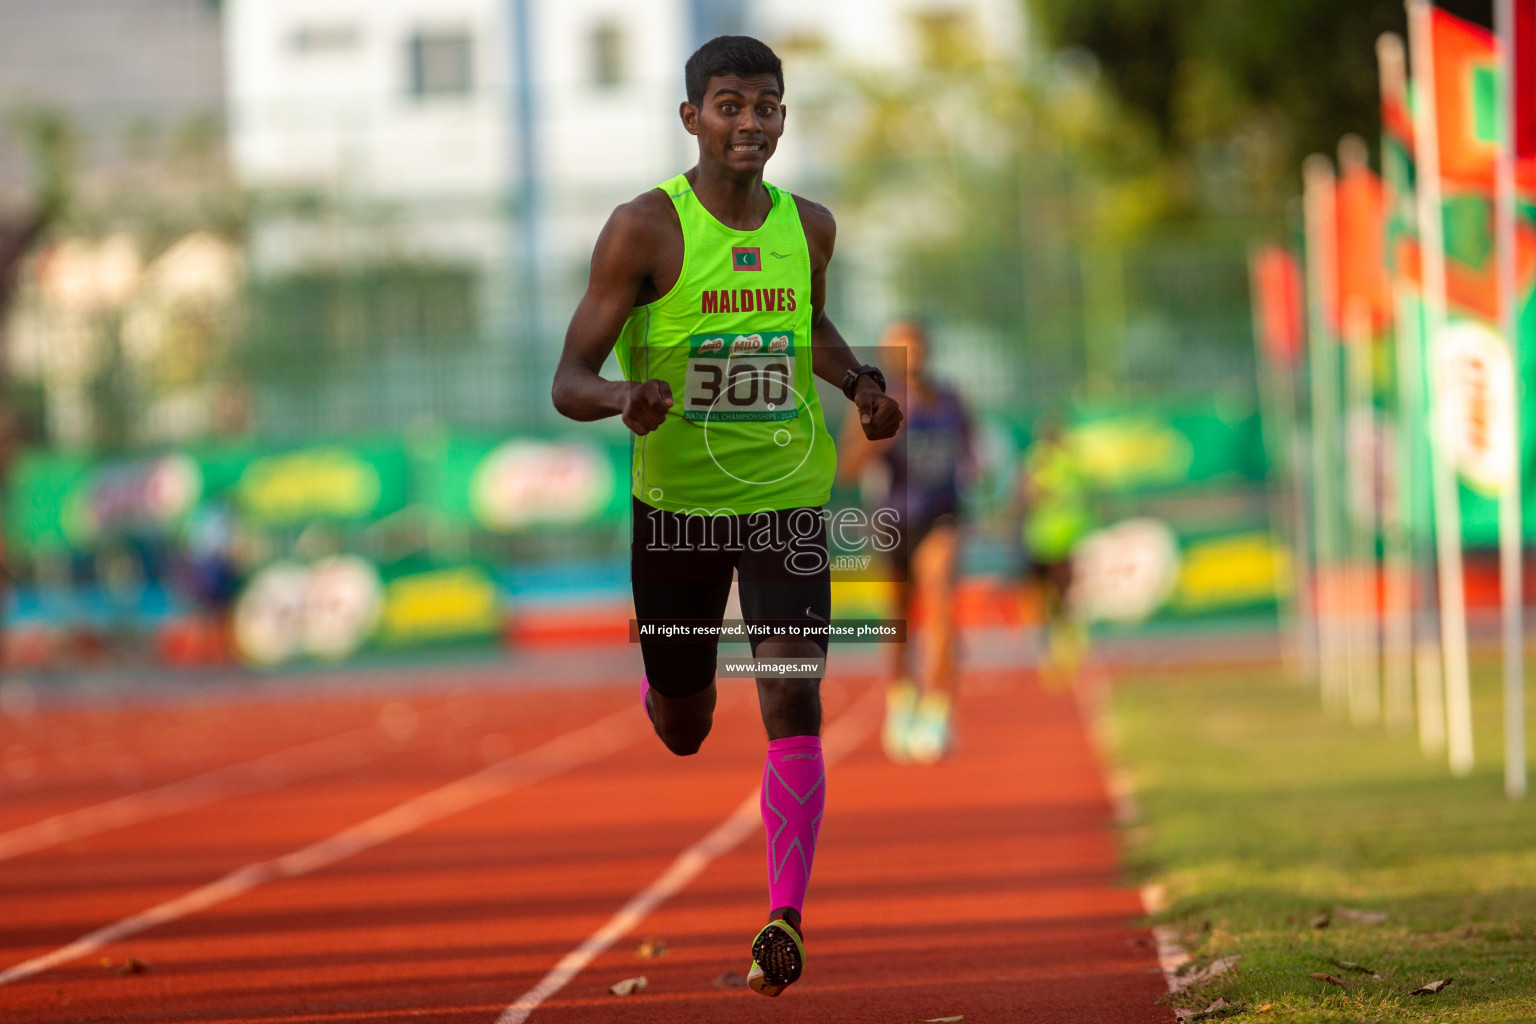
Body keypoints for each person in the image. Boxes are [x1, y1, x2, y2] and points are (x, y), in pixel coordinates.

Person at [551, 35, 902, 998]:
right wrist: (624, 398)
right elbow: (566, 378)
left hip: (788, 495)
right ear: (692, 118)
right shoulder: (643, 231)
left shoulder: (811, 227)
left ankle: (785, 915)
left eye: (768, 107)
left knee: (791, 694)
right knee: (687, 722)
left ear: (785, 119)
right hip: (679, 510)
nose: (751, 123)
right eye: (731, 105)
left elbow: (809, 327)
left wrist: (863, 383)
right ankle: (667, 690)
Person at [837, 319, 973, 764]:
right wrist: (879, 435)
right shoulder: (872, 402)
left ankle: (937, 711)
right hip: (892, 521)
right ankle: (902, 698)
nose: (908, 358)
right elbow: (849, 468)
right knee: (896, 619)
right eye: (898, 350)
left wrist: (971, 471)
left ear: (926, 351)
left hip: (941, 516)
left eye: (914, 347)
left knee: (941, 603)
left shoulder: (952, 400)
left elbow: (972, 451)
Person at [1019, 417, 1091, 684]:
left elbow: (1032, 493)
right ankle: (1057, 644)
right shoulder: (1048, 460)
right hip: (1046, 538)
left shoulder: (1053, 462)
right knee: (1050, 596)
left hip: (1056, 538)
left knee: (1060, 596)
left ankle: (1063, 645)